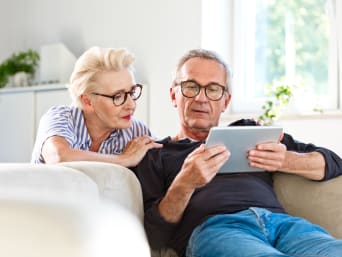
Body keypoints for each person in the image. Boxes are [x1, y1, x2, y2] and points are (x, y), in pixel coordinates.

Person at [132, 49, 342, 257]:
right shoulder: (155, 154)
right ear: (173, 95)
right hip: (218, 230)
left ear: (226, 101)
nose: (201, 98)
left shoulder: (251, 130)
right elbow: (155, 235)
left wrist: (286, 160)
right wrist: (185, 183)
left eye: (213, 89)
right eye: (190, 86)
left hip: (282, 225)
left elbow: (333, 163)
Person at [31, 46, 161, 166]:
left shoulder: (136, 131)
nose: (131, 105)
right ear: (87, 101)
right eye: (118, 96)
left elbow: (165, 159)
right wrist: (124, 159)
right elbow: (59, 157)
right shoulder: (61, 117)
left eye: (132, 92)